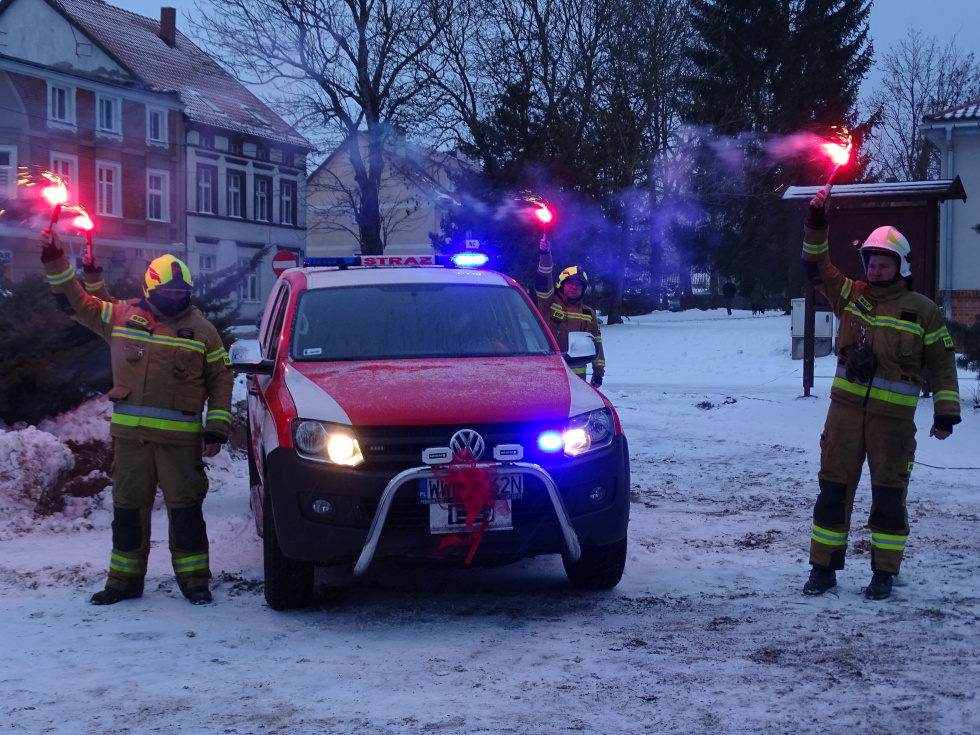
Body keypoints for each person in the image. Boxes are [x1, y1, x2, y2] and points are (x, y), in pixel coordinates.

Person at [40, 230, 234, 606]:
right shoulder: (122, 317)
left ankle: (195, 582)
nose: (177, 298)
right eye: (170, 292)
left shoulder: (204, 332)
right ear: (151, 289)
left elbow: (222, 379)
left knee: (185, 512)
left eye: (182, 292)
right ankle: (124, 582)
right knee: (128, 510)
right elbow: (79, 303)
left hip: (179, 444)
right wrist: (55, 261)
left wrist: (217, 429)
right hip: (131, 442)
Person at [800, 189, 960, 601]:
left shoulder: (923, 311)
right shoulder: (851, 296)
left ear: (901, 267)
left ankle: (884, 573)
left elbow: (942, 365)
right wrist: (817, 224)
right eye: (872, 262)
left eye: (885, 264)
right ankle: (823, 569)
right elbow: (817, 266)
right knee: (833, 491)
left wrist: (945, 414)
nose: (876, 270)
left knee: (890, 497)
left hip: (893, 425)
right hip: (844, 418)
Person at [534, 237, 605, 387]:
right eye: (570, 284)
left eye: (579, 285)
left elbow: (596, 343)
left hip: (577, 378)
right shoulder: (548, 303)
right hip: (549, 372)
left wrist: (598, 372)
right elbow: (543, 280)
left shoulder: (588, 313)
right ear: (561, 284)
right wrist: (545, 255)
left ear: (583, 289)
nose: (574, 287)